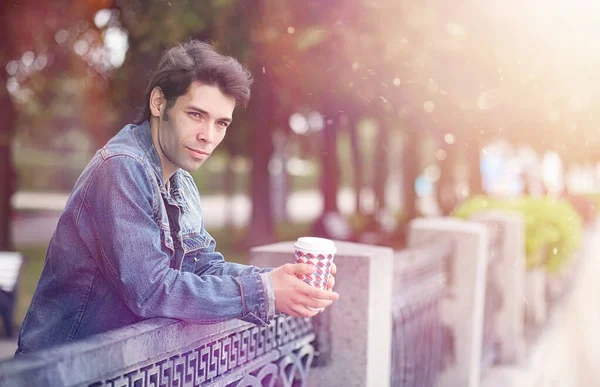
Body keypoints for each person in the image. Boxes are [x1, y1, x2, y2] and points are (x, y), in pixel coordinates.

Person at [15, 39, 339, 356]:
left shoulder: (180, 180)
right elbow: (151, 290)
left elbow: (202, 266)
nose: (208, 136)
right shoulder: (121, 168)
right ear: (159, 103)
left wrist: (275, 282)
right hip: (65, 369)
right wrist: (263, 293)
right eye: (196, 115)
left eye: (221, 123)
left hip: (121, 367)